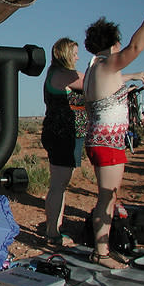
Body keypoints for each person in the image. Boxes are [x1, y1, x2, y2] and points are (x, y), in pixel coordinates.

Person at [83, 13, 144, 269]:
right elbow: (137, 47)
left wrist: (131, 82)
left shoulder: (94, 69)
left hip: (100, 141)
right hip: (108, 144)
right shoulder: (106, 64)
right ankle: (101, 252)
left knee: (107, 197)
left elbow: (108, 94)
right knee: (107, 198)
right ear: (113, 43)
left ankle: (102, 249)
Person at [41, 38, 86, 247]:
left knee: (60, 185)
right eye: (75, 53)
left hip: (64, 134)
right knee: (59, 185)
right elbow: (96, 83)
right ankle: (52, 233)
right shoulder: (65, 75)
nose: (78, 57)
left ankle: (55, 229)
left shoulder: (55, 74)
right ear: (66, 54)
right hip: (63, 135)